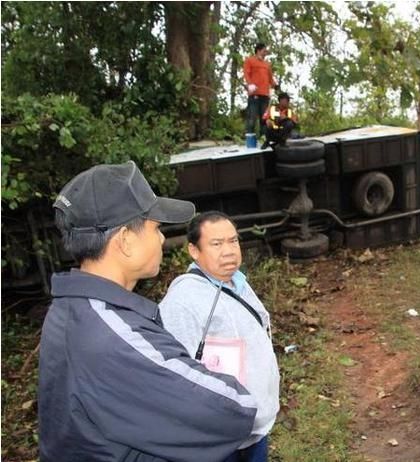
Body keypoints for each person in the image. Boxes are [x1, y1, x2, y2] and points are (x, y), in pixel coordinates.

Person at [39, 161, 258, 461]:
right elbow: (234, 409)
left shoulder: (69, 308)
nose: (162, 239)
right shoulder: (112, 334)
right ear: (126, 240)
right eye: (156, 228)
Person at [160, 211, 280, 462]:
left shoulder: (237, 282)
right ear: (194, 250)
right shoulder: (183, 300)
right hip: (218, 436)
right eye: (216, 244)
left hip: (255, 425)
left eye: (233, 241)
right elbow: (177, 372)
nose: (229, 251)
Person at [244, 43, 277, 137]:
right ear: (258, 50)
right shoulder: (250, 60)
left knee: (264, 118)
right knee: (252, 118)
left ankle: (263, 138)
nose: (265, 52)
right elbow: (246, 73)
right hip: (254, 94)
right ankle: (249, 139)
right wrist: (250, 84)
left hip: (265, 95)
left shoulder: (267, 64)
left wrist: (275, 86)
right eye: (264, 50)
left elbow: (270, 78)